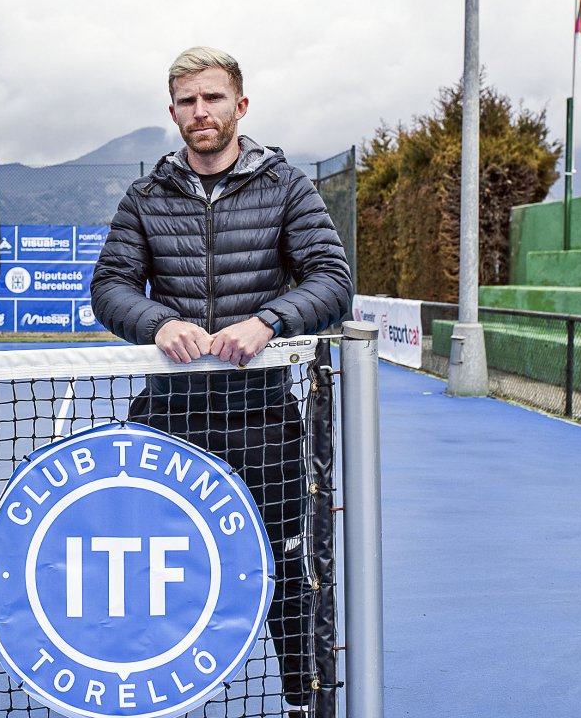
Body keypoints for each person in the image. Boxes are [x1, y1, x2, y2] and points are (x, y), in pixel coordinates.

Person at [90, 46, 352, 717]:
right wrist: (157, 324)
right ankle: (150, 699)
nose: (199, 112)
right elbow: (110, 288)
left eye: (211, 98)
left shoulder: (287, 186)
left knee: (284, 569)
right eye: (186, 101)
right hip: (170, 422)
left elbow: (332, 280)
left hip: (262, 418)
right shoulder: (145, 196)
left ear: (240, 105)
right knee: (152, 571)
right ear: (173, 111)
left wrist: (268, 321)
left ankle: (302, 703)